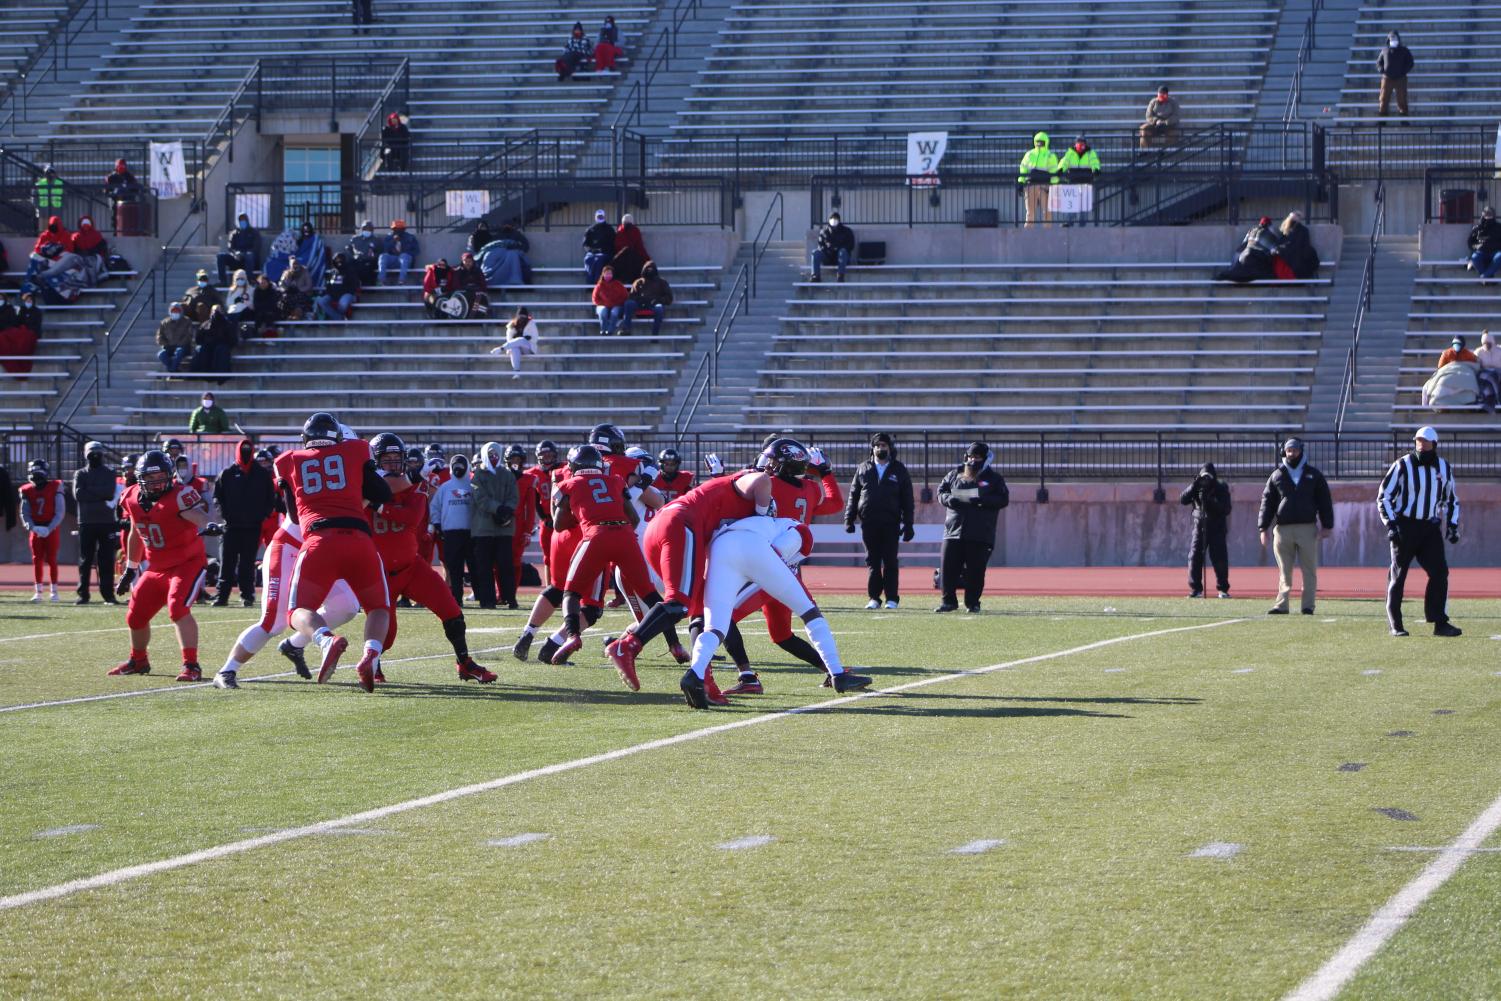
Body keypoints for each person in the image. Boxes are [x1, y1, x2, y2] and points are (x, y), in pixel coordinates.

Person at [685, 514, 871, 708]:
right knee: (809, 612)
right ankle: (838, 674)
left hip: (720, 546)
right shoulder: (799, 530)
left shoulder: (751, 522)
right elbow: (774, 557)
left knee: (715, 624)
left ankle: (695, 674)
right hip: (757, 554)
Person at [277, 412, 399, 692]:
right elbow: (382, 492)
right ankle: (370, 654)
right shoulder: (355, 450)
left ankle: (324, 640)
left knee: (297, 610)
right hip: (359, 539)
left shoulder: (290, 461)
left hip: (319, 541)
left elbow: (294, 516)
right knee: (379, 608)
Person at [363, 433, 497, 685]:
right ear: (375, 461)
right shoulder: (366, 485)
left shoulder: (412, 483)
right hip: (379, 573)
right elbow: (380, 491)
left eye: (396, 459)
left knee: (452, 611)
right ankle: (374, 665)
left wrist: (379, 507)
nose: (392, 464)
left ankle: (465, 663)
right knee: (386, 635)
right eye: (386, 459)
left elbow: (411, 518)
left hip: (411, 565)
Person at [108, 451, 212, 681]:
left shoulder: (179, 495)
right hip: (156, 567)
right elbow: (136, 532)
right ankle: (139, 660)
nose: (156, 483)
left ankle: (191, 665)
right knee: (135, 617)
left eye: (160, 477)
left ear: (170, 475)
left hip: (187, 563)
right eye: (150, 478)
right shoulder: (131, 497)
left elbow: (198, 515)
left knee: (178, 609)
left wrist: (210, 524)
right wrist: (131, 568)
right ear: (140, 478)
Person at [1377, 426, 1462, 637]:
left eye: (1425, 442)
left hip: (1429, 527)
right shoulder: (1403, 465)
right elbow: (1384, 496)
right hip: (1405, 525)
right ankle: (1395, 624)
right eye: (1418, 441)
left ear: (1434, 445)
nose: (1421, 445)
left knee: (1440, 573)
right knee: (1398, 574)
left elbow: (1451, 499)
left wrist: (1452, 525)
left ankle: (1439, 622)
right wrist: (1391, 524)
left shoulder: (1443, 467)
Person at [1258, 437, 1334, 615]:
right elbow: (1267, 502)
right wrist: (1263, 528)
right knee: (1285, 571)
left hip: (1307, 528)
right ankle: (1281, 605)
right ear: (1284, 452)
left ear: (1301, 450)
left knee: (1309, 570)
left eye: (1295, 450)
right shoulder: (1277, 475)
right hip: (1282, 529)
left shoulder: (1314, 475)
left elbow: (1324, 501)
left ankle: (1308, 606)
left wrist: (1327, 525)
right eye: (1289, 450)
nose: (1292, 453)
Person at [934, 443, 1009, 613]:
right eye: (970, 456)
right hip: (953, 530)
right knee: (948, 568)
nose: (972, 460)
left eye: (977, 457)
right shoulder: (954, 474)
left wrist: (982, 501)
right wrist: (948, 499)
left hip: (980, 531)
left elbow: (1003, 499)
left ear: (985, 459)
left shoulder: (994, 479)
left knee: (976, 571)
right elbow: (941, 492)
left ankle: (973, 602)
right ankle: (948, 602)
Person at [845, 431, 914, 609]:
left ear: (889, 448)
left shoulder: (899, 469)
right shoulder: (863, 468)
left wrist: (908, 525)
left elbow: (907, 499)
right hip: (869, 522)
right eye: (877, 446)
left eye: (883, 445)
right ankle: (874, 598)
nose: (880, 448)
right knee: (873, 562)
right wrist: (849, 519)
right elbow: (854, 494)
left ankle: (892, 598)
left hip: (891, 523)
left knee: (890, 561)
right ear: (872, 448)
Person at [213, 438, 275, 606]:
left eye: (249, 450)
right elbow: (217, 497)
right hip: (230, 527)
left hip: (252, 527)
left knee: (247, 564)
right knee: (226, 563)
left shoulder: (262, 475)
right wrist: (224, 515)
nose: (246, 454)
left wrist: (263, 515)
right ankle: (222, 596)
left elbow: (271, 498)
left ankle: (247, 595)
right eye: (243, 450)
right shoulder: (227, 473)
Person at [470, 441, 519, 609]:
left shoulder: (507, 475)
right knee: (484, 568)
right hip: (483, 529)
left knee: (506, 566)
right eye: (490, 455)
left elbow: (514, 496)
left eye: (496, 455)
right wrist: (499, 509)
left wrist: (507, 511)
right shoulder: (478, 475)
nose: (493, 458)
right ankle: (487, 600)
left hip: (504, 528)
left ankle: (510, 598)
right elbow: (480, 498)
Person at [72, 440, 120, 604]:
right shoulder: (80, 474)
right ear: (86, 454)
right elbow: (79, 495)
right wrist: (99, 492)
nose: (95, 456)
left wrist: (89, 490)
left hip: (106, 522)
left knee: (106, 560)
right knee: (85, 560)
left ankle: (108, 595)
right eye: (91, 453)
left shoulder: (110, 472)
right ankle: (83, 594)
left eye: (97, 453)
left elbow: (109, 492)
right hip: (86, 522)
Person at [1181, 462, 1232, 598]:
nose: (1206, 480)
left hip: (1217, 527)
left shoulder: (1221, 487)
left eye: (1208, 477)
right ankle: (1196, 589)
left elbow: (1226, 509)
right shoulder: (1196, 487)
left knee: (1219, 558)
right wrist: (1194, 486)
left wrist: (1209, 501)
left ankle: (1223, 589)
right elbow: (1183, 499)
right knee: (1195, 557)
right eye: (1203, 477)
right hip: (1200, 526)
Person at [431, 453, 476, 606]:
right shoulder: (445, 487)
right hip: (450, 533)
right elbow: (435, 507)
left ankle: (481, 597)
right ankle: (456, 598)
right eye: (455, 466)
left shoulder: (473, 485)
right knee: (454, 569)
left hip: (471, 533)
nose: (458, 469)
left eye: (461, 466)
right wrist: (437, 524)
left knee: (475, 567)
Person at [20, 459, 64, 602]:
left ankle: (54, 591)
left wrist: (49, 528)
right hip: (36, 528)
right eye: (34, 472)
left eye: (38, 472)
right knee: (37, 560)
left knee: (51, 559)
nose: (36, 476)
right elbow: (24, 513)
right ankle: (38, 592)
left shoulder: (55, 487)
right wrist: (32, 527)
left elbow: (60, 511)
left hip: (51, 528)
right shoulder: (27, 490)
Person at [1216, 217, 1282, 283]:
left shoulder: (1251, 230)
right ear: (1269, 225)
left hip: (1244, 257)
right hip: (1256, 258)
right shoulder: (1270, 233)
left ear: (1260, 224)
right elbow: (1274, 250)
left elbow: (1242, 246)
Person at [1054, 136, 1100, 225]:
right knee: (1071, 203)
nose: (1080, 145)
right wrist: (1060, 169)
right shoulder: (1070, 153)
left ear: (1085, 144)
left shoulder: (1091, 153)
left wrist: (1096, 169)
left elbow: (1094, 162)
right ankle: (1070, 221)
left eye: (1082, 143)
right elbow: (1064, 162)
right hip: (1073, 181)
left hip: (1086, 181)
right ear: (1075, 144)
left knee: (1084, 204)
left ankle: (1082, 222)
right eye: (1079, 143)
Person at [1017, 132, 1059, 228]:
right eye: (1038, 142)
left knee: (1047, 211)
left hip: (1045, 186)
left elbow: (1054, 171)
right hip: (1031, 185)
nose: (1039, 143)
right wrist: (1021, 181)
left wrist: (1053, 186)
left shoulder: (1050, 155)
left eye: (1041, 142)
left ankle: (1047, 233)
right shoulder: (1030, 154)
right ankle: (1028, 233)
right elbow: (1023, 169)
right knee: (1030, 212)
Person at [476, 222, 534, 287]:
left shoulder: (518, 235)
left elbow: (525, 246)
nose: (507, 226)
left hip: (514, 257)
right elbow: (491, 247)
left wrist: (513, 248)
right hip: (498, 257)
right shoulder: (498, 236)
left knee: (517, 260)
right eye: (505, 224)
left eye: (508, 224)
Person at [492, 305, 540, 378]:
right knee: (514, 348)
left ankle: (501, 349)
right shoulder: (512, 325)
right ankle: (516, 371)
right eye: (520, 316)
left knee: (521, 340)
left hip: (528, 347)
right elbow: (509, 339)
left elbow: (535, 338)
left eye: (524, 317)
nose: (522, 319)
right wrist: (515, 339)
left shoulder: (531, 323)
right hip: (515, 347)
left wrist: (527, 338)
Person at [190, 305, 237, 377]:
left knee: (221, 350)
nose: (215, 313)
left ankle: (221, 376)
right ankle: (200, 374)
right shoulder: (205, 324)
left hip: (221, 346)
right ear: (210, 313)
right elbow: (198, 339)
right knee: (201, 350)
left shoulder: (228, 324)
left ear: (222, 312)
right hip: (208, 347)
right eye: (214, 311)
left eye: (218, 311)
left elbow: (232, 340)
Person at [627, 261, 672, 335]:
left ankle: (655, 334)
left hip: (654, 305)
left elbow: (669, 297)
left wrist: (658, 300)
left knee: (659, 308)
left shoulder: (662, 282)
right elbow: (631, 296)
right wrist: (640, 300)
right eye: (647, 269)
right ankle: (626, 328)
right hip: (640, 304)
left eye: (652, 269)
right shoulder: (638, 282)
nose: (650, 271)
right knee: (628, 304)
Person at [0, 292, 40, 375]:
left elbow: (13, 322)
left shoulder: (9, 309)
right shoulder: (22, 310)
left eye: (1, 299)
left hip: (7, 331)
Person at [1376, 30, 1414, 117]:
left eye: (1395, 38)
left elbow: (1410, 62)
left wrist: (1403, 71)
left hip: (1400, 78)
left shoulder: (1404, 50)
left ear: (1398, 39)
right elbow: (1379, 62)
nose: (1393, 40)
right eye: (1391, 38)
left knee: (1402, 99)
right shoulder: (1384, 50)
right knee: (1383, 98)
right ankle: (1382, 118)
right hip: (1387, 78)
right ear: (1388, 40)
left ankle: (1403, 117)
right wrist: (1382, 70)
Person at [1273, 211, 1321, 280]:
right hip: (1294, 259)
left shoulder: (1284, 229)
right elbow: (1305, 245)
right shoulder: (1301, 230)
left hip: (1289, 258)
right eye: (1298, 216)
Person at [314, 252, 361, 320]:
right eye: (336, 259)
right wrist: (329, 293)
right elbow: (329, 285)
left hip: (347, 293)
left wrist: (344, 291)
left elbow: (355, 284)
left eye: (339, 259)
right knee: (322, 301)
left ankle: (336, 317)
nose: (338, 261)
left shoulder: (350, 270)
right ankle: (339, 318)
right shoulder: (332, 272)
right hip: (333, 294)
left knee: (343, 305)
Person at [218, 214, 261, 286]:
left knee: (249, 255)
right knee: (220, 256)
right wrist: (235, 254)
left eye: (244, 220)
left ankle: (250, 279)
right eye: (240, 220)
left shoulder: (254, 232)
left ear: (247, 220)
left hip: (250, 259)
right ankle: (223, 281)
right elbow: (230, 247)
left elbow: (256, 247)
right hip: (237, 258)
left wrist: (245, 253)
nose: (242, 222)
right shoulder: (234, 233)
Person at [104, 159, 145, 235]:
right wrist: (114, 193)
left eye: (123, 166)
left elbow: (135, 189)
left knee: (128, 218)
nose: (121, 167)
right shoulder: (111, 177)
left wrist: (127, 190)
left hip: (127, 202)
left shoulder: (130, 177)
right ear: (116, 167)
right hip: (115, 201)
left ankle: (128, 232)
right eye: (119, 166)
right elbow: (106, 191)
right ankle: (116, 233)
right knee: (115, 217)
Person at [811, 211, 855, 282]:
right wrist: (828, 249)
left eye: (835, 218)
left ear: (839, 220)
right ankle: (815, 275)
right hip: (828, 257)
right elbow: (820, 246)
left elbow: (851, 245)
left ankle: (840, 275)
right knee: (815, 253)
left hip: (841, 258)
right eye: (832, 218)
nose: (834, 220)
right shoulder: (824, 232)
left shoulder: (847, 231)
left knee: (843, 251)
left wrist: (838, 248)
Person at [592, 264, 632, 335]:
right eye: (606, 273)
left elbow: (625, 296)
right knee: (602, 312)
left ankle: (610, 330)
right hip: (603, 305)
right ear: (603, 274)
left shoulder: (618, 284)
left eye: (610, 273)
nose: (608, 275)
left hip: (616, 305)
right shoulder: (599, 285)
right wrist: (604, 303)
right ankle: (603, 329)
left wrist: (615, 303)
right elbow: (595, 299)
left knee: (614, 313)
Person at [378, 220, 419, 285]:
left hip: (406, 261)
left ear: (404, 229)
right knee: (383, 256)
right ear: (392, 229)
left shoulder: (410, 237)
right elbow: (385, 250)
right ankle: (381, 280)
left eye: (400, 229)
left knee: (404, 256)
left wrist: (404, 250)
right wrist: (393, 241)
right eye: (396, 229)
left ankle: (402, 280)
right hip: (393, 260)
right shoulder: (389, 238)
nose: (398, 230)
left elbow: (416, 251)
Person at [611, 213, 649, 284]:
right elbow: (639, 247)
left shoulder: (619, 232)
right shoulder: (634, 231)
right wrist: (647, 259)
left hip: (622, 260)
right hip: (632, 260)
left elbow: (616, 247)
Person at [452, 251, 490, 318]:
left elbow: (482, 284)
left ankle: (478, 317)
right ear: (462, 261)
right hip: (463, 292)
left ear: (472, 261)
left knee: (481, 298)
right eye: (465, 261)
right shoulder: (458, 271)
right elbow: (456, 284)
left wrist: (478, 288)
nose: (467, 263)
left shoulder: (477, 270)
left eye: (469, 261)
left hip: (476, 291)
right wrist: (465, 288)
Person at [1467, 206, 1501, 278]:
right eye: (1486, 215)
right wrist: (1476, 247)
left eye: (1490, 215)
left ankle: (1484, 277)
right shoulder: (1477, 227)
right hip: (1481, 251)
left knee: (1500, 257)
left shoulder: (1499, 227)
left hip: (1495, 252)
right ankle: (1488, 278)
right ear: (1482, 215)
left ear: (1493, 215)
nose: (1488, 217)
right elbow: (1470, 242)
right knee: (1475, 257)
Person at [582, 209, 616, 282]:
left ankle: (596, 283)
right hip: (592, 253)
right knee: (588, 259)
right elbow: (585, 244)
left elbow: (612, 243)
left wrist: (603, 250)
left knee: (598, 260)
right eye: (598, 216)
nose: (600, 218)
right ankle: (590, 282)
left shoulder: (609, 229)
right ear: (595, 217)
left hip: (605, 253)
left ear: (604, 217)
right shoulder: (590, 229)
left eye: (601, 216)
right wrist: (591, 250)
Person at [277, 255, 315, 320]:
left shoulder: (305, 271)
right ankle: (286, 318)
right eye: (293, 264)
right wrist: (286, 288)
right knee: (282, 301)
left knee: (299, 303)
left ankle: (298, 318)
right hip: (289, 295)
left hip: (302, 294)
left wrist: (299, 289)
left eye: (296, 263)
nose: (295, 265)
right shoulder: (286, 273)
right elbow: (281, 284)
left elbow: (309, 285)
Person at [346, 220, 381, 285]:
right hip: (357, 260)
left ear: (372, 229)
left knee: (367, 268)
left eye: (369, 228)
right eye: (365, 228)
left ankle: (367, 286)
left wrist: (374, 256)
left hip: (370, 261)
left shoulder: (376, 240)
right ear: (362, 229)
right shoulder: (355, 238)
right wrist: (353, 256)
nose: (367, 230)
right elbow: (348, 248)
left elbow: (379, 251)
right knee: (349, 266)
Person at [1475, 329, 1501, 410]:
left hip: (1498, 372)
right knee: (1488, 378)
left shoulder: (1499, 350)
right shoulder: (1478, 352)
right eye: (1485, 343)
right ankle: (1491, 400)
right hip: (1485, 373)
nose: (1487, 345)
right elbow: (1476, 365)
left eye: (1488, 343)